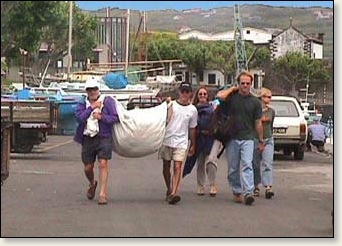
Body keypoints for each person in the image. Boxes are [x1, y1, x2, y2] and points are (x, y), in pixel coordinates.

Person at [216, 71, 263, 205]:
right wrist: (232, 89)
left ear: (251, 85)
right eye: (242, 83)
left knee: (247, 164)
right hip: (232, 137)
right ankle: (237, 190)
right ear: (238, 84)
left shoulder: (255, 102)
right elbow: (219, 97)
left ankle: (248, 192)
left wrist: (261, 140)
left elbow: (258, 122)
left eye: (247, 84)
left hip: (248, 137)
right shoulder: (232, 98)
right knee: (233, 168)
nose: (245, 86)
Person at [74, 78, 120, 205]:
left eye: (94, 89)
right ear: (87, 91)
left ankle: (102, 193)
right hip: (88, 138)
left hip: (103, 137)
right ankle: (92, 182)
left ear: (98, 89)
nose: (92, 92)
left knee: (103, 163)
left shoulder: (107, 101)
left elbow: (115, 118)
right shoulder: (82, 103)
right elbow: (79, 118)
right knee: (88, 167)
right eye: (90, 90)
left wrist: (102, 117)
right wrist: (92, 108)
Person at [160, 82, 198, 205]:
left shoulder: (193, 110)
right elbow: (162, 119)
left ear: (190, 93)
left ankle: (174, 193)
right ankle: (169, 188)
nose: (184, 94)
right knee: (166, 166)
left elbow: (192, 128)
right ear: (179, 92)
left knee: (177, 166)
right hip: (167, 139)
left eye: (187, 92)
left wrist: (193, 144)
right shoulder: (171, 105)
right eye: (183, 91)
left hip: (181, 141)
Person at [252, 87, 275, 199]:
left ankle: (268, 187)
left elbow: (270, 125)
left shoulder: (271, 111)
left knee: (267, 163)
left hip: (268, 138)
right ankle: (255, 186)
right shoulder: (255, 110)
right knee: (255, 164)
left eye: (270, 97)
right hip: (255, 139)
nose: (268, 99)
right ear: (261, 98)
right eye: (266, 96)